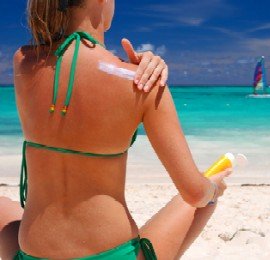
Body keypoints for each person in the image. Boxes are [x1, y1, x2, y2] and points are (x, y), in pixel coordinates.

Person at [0, 0, 232, 259]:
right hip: (113, 254)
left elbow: (68, 65)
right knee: (206, 196)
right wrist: (212, 188)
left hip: (32, 253)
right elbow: (194, 193)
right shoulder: (142, 84)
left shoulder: (24, 62)